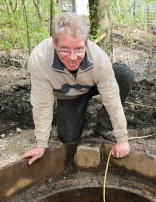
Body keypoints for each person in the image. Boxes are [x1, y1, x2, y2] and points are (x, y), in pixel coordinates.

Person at [21, 12, 135, 165]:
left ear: (86, 43)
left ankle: (103, 126)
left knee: (124, 75)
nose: (73, 57)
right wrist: (41, 144)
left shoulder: (99, 59)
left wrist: (122, 139)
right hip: (68, 95)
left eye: (79, 49)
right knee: (68, 138)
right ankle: (78, 112)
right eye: (65, 49)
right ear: (54, 43)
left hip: (92, 83)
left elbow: (112, 99)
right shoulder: (39, 60)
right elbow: (42, 104)